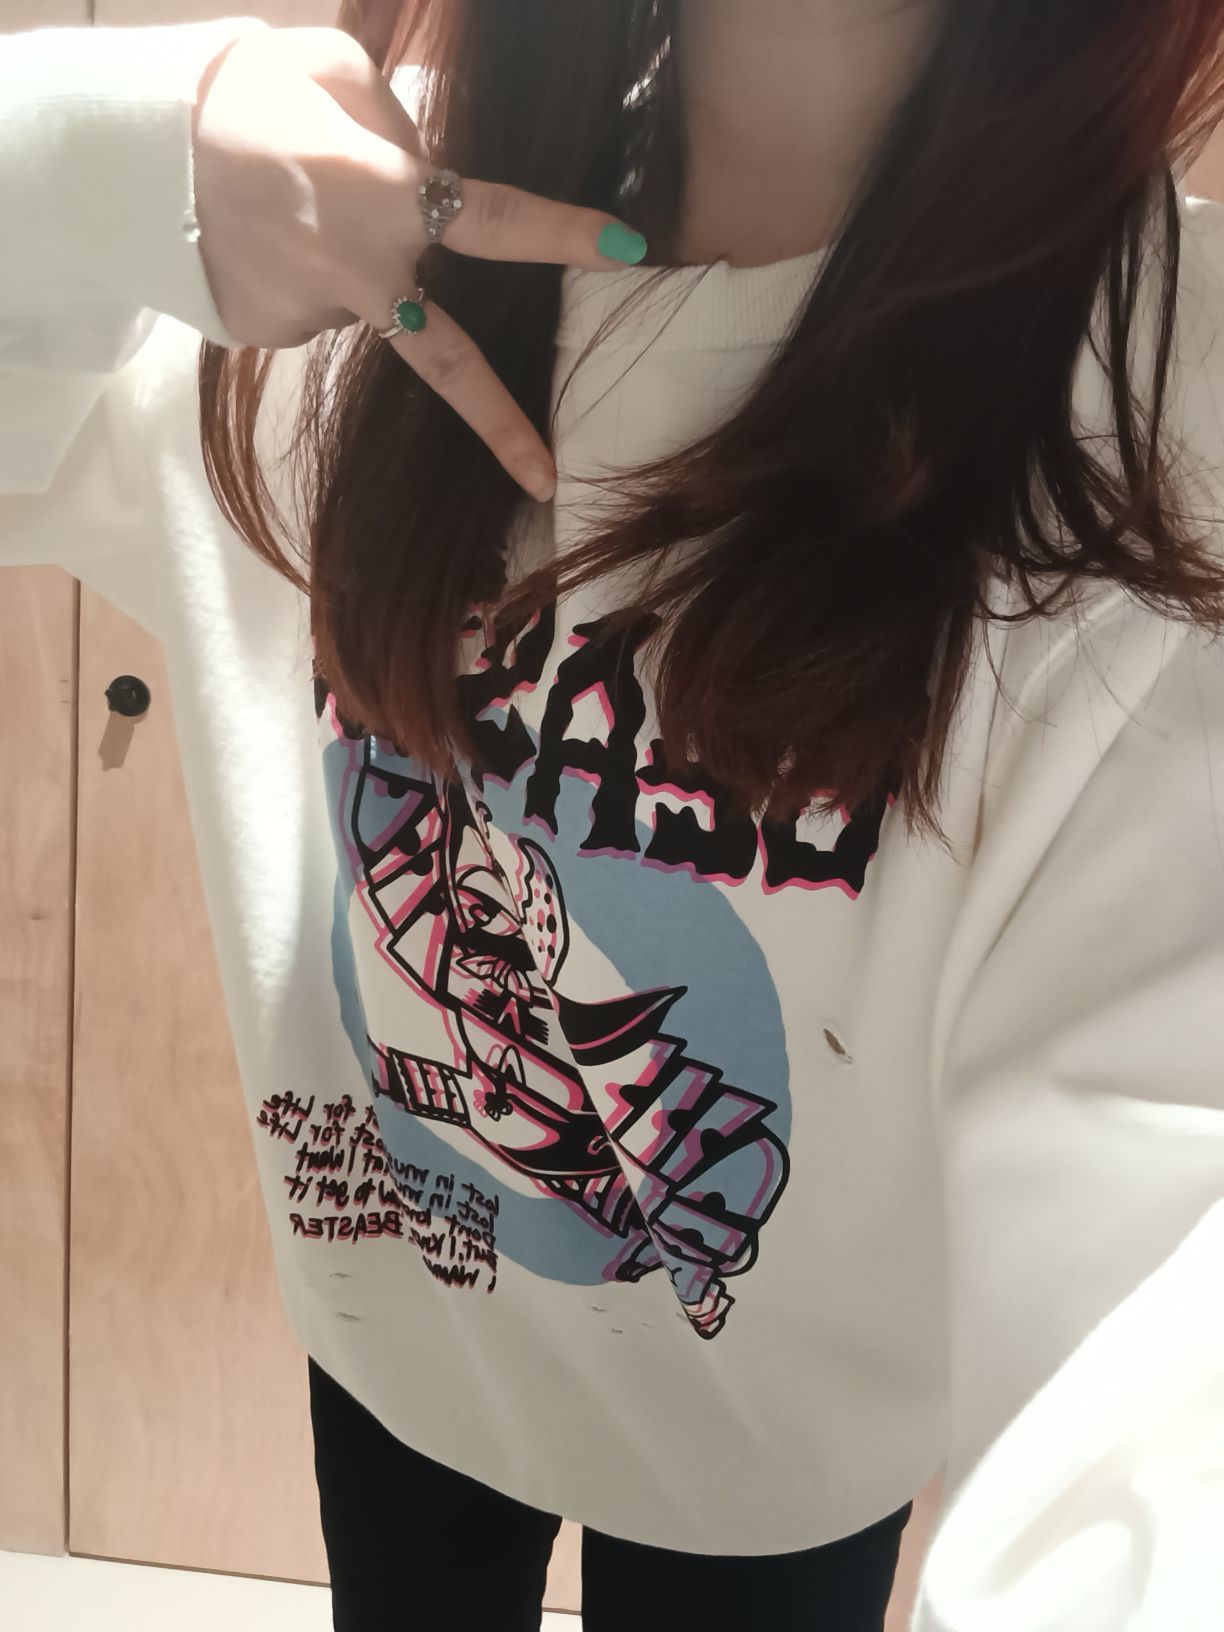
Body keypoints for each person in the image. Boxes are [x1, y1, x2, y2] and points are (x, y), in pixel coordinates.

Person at [2, 4, 1223, 1629]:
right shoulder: (328, 216)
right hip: (401, 1314)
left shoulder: (1167, 401)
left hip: (776, 1447)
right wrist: (107, 153)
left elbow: (1160, 1335)